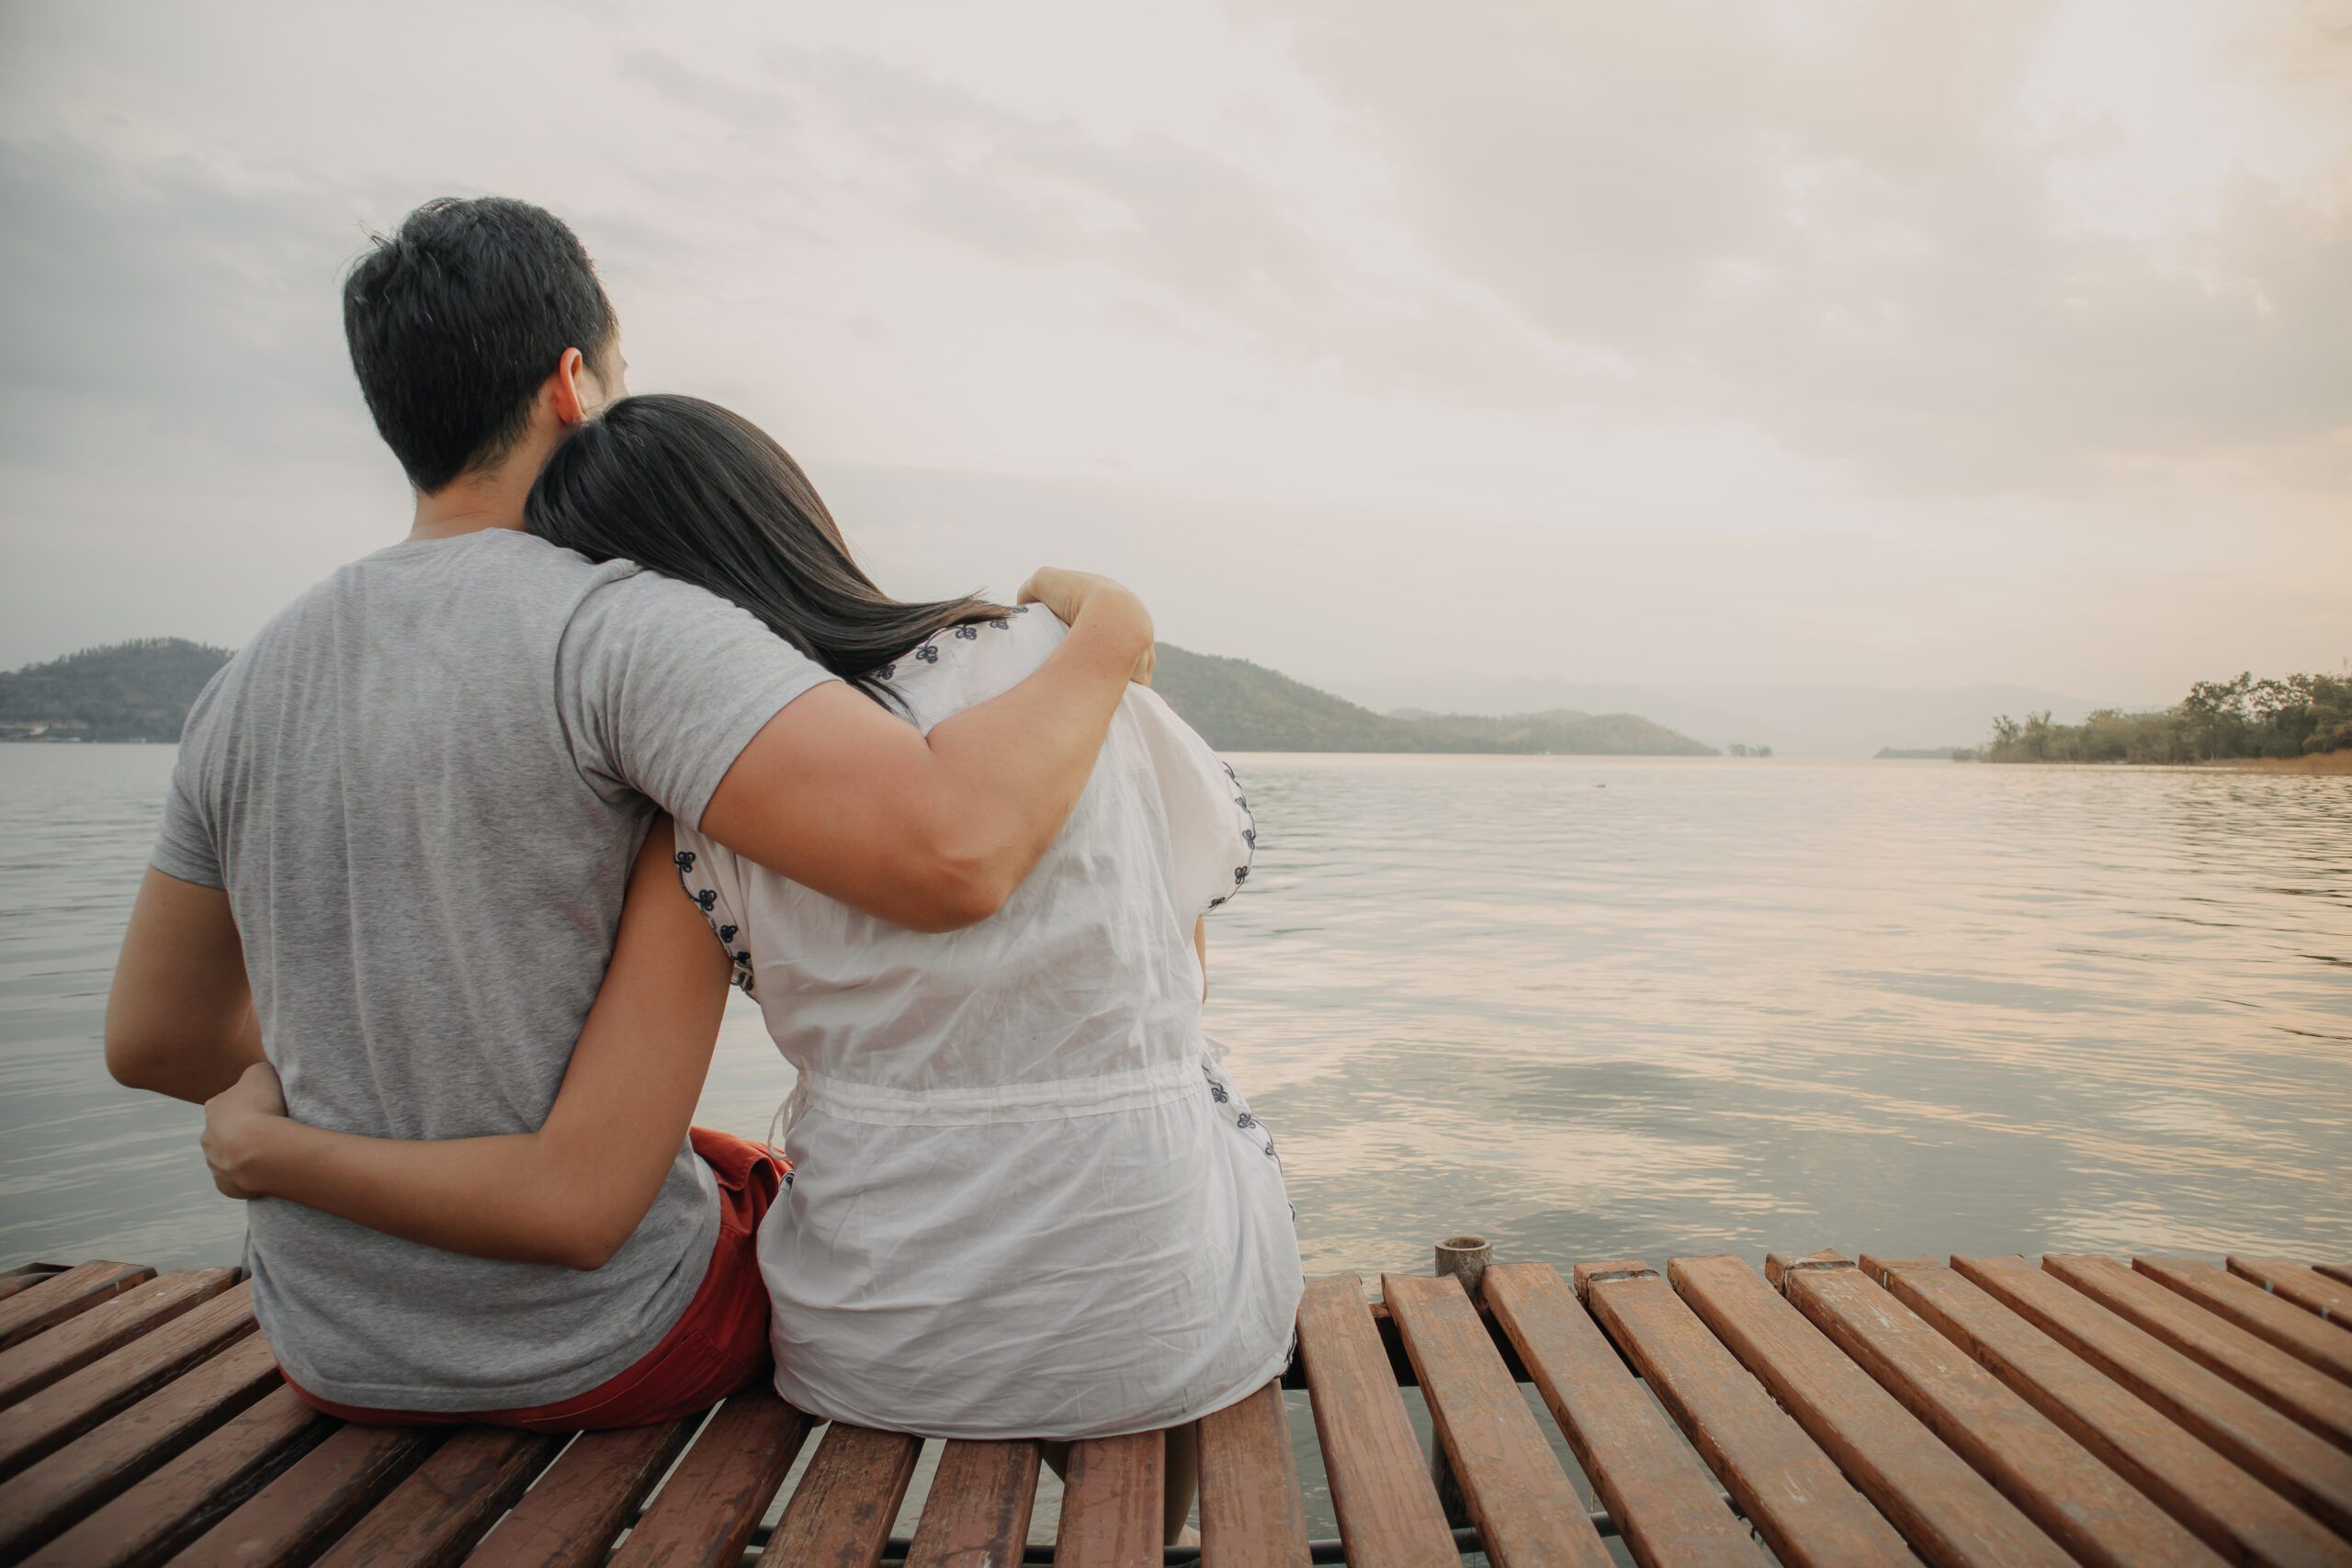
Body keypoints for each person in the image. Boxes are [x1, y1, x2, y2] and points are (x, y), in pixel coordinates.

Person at [105, 196, 1157, 1429]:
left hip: (330, 1345)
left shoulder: (248, 679)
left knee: (718, 1156)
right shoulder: (622, 627)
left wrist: (368, 1106)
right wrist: (1113, 635)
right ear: (573, 384)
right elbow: (955, 847)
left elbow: (156, 1037)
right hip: (608, 1341)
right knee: (809, 1214)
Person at [201, 395, 1305, 1540]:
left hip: (879, 1330)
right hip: (1168, 1289)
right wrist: (1109, 626)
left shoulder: (698, 809)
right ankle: (1152, 1529)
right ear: (786, 509)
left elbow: (603, 1142)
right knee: (1132, 1297)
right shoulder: (1056, 666)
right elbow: (1180, 966)